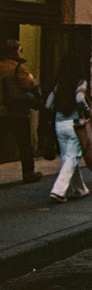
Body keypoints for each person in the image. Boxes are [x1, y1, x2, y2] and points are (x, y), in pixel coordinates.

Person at [45, 54, 92, 203]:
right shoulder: (80, 82)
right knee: (72, 157)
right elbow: (79, 99)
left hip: (59, 124)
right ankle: (58, 191)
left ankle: (80, 189)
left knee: (68, 157)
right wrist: (88, 110)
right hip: (74, 123)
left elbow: (48, 105)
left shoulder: (59, 84)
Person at [0, 39, 43, 184]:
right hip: (18, 111)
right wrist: (31, 79)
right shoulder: (18, 67)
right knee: (24, 143)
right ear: (15, 51)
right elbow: (28, 85)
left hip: (2, 111)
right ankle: (28, 173)